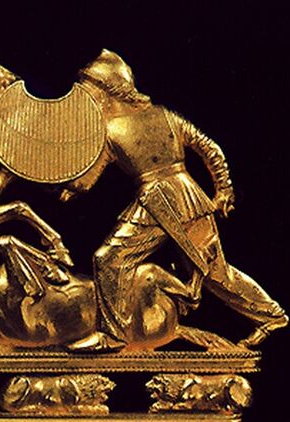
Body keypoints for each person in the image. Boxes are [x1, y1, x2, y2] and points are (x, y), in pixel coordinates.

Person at [61, 49, 287, 352]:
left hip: (159, 202)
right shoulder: (164, 115)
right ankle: (272, 316)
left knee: (112, 259)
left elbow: (85, 182)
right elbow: (209, 148)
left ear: (105, 90)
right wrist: (223, 189)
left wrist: (60, 182)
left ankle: (113, 335)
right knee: (215, 273)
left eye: (87, 89)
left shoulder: (110, 130)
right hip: (185, 197)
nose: (85, 97)